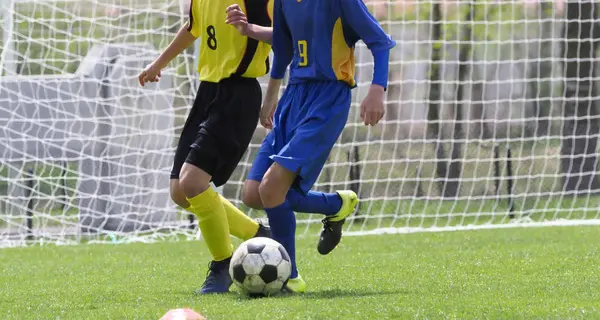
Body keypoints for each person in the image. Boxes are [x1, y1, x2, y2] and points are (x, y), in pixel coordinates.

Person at [226, 0, 395, 293]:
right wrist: (250, 31)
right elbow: (283, 43)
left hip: (328, 99)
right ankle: (336, 204)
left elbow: (379, 41)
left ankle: (289, 277)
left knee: (271, 190)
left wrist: (377, 89)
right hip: (294, 97)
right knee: (254, 194)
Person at [137, 0, 274, 294]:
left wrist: (273, 96)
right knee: (179, 191)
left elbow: (284, 37)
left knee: (193, 182)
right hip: (207, 92)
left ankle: (223, 266)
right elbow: (192, 28)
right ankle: (258, 232)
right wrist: (157, 64)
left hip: (238, 94)